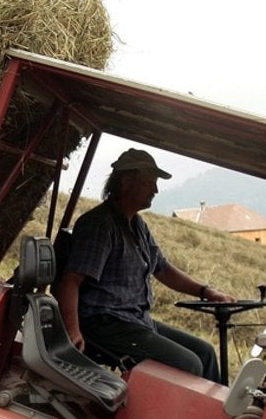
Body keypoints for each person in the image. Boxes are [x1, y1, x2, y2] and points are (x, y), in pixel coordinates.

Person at [58, 148, 233, 382]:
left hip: (134, 320)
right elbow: (71, 280)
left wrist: (205, 291)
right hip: (104, 323)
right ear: (127, 182)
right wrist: (72, 329)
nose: (156, 189)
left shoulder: (137, 226)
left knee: (205, 352)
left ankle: (216, 416)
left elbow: (163, 268)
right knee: (188, 364)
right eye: (150, 182)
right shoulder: (100, 225)